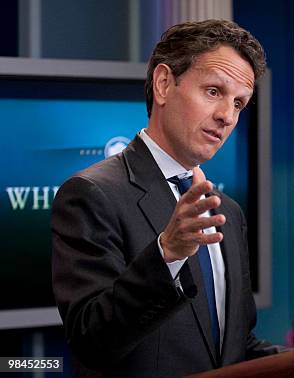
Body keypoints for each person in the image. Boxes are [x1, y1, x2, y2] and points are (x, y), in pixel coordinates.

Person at [52, 20, 279, 377]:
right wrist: (166, 254)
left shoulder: (228, 213)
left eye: (239, 103)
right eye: (214, 92)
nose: (226, 116)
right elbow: (91, 340)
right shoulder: (92, 194)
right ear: (163, 84)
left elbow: (236, 346)